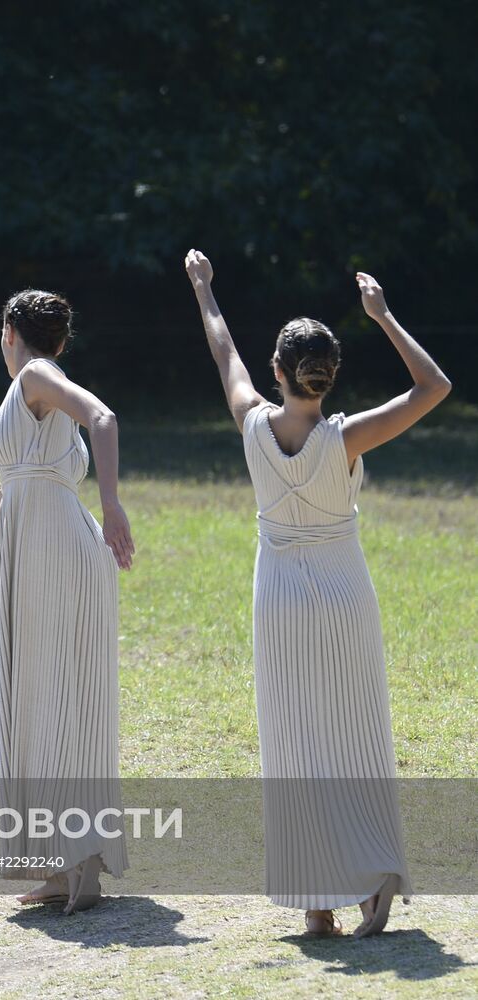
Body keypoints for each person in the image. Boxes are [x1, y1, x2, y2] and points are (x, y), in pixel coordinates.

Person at [185, 248, 448, 937]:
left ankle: (315, 909)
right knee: (355, 736)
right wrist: (383, 316)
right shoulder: (349, 437)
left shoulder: (251, 424)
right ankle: (375, 876)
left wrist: (204, 288)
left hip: (277, 600)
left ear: (279, 371)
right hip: (343, 594)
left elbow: (223, 356)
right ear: (328, 377)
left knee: (291, 742)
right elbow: (434, 387)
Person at [0, 290, 133, 914]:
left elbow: (104, 419)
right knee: (52, 696)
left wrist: (111, 504)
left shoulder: (33, 374)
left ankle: (78, 860)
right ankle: (64, 862)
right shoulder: (40, 385)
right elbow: (21, 479)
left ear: (9, 333)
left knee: (55, 695)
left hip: (55, 553)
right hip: (46, 549)